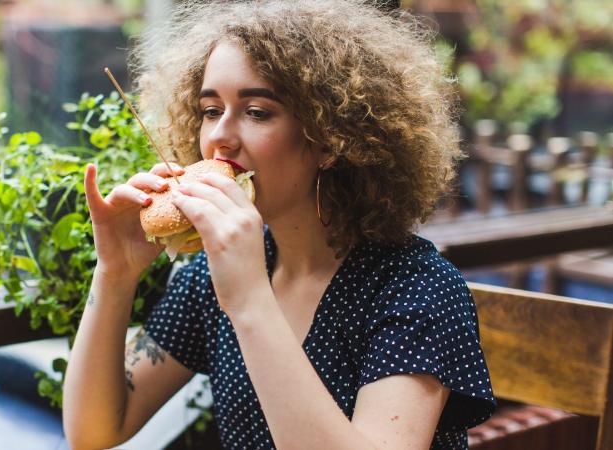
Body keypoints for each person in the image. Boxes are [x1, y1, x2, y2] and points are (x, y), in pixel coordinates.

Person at [63, 1, 496, 449]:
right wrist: (115, 272)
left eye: (257, 112)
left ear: (331, 138)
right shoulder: (210, 275)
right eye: (211, 110)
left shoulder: (416, 287)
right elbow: (95, 430)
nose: (219, 137)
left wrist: (250, 298)